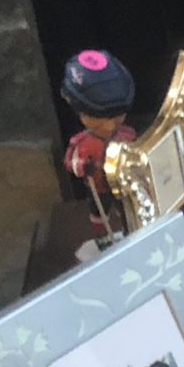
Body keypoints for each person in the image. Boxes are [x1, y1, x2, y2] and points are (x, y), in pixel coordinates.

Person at [60, 49, 136, 238]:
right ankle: (103, 240)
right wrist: (81, 166)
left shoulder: (127, 135)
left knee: (127, 211)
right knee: (99, 213)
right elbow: (70, 162)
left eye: (117, 117)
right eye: (99, 119)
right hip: (98, 186)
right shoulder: (81, 142)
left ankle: (130, 234)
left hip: (122, 184)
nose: (110, 125)